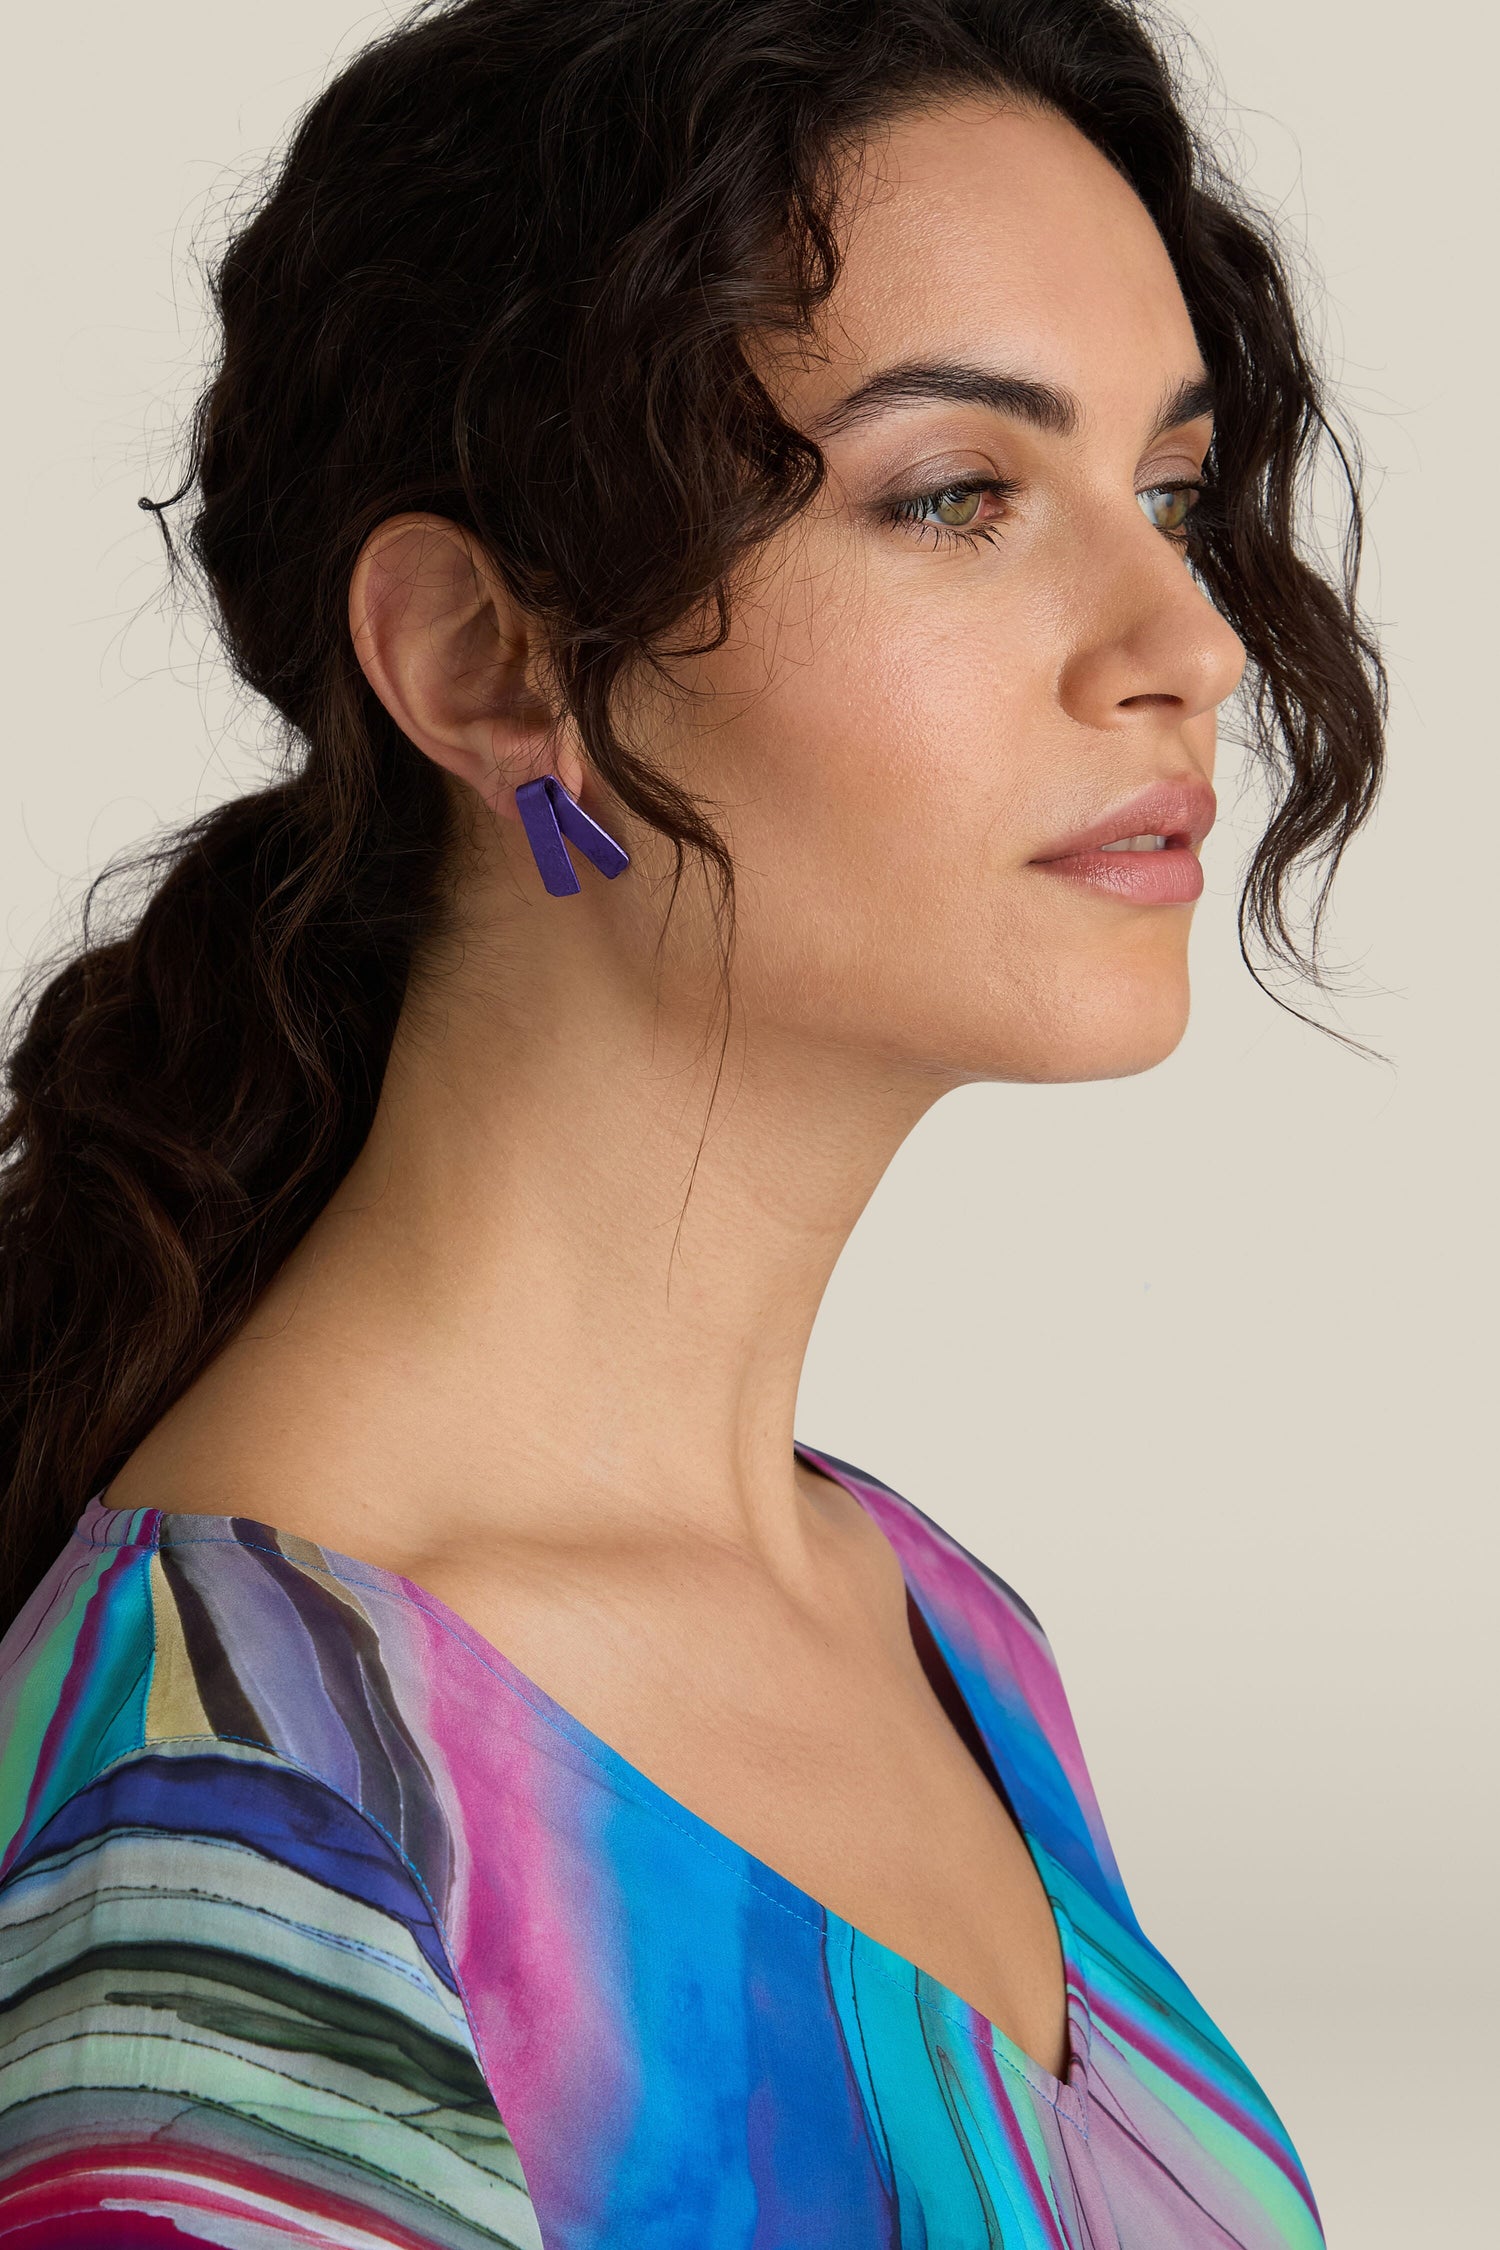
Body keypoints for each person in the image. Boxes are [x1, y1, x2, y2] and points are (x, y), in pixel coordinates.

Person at [0, 1, 1384, 2243]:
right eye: (957, 496)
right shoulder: (236, 1816)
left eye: (1164, 491)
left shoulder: (928, 1618)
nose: (1187, 641)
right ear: (485, 664)